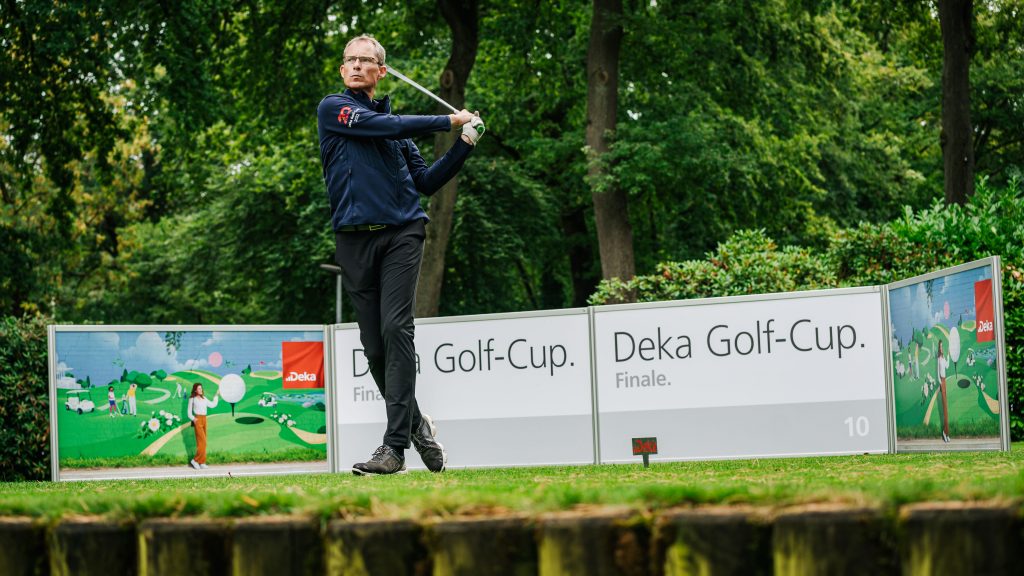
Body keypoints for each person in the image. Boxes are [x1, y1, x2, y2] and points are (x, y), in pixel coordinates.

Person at [317, 34, 484, 476]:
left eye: (365, 61)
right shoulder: (335, 109)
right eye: (349, 60)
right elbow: (384, 126)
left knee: (396, 328)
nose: (355, 66)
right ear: (342, 70)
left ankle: (393, 449)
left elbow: (426, 183)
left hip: (402, 234)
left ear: (381, 71)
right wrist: (448, 120)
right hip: (353, 241)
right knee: (373, 347)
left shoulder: (397, 133)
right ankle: (418, 426)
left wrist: (464, 143)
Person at [187, 382, 220, 469]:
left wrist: (216, 395)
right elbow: (189, 413)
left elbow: (213, 405)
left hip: (204, 419)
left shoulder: (204, 398)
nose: (201, 390)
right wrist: (194, 419)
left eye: (201, 388)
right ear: (195, 390)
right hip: (197, 420)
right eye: (199, 388)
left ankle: (202, 462)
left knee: (202, 443)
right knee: (203, 442)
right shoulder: (192, 399)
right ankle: (195, 460)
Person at [937, 340, 950, 443]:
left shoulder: (944, 358)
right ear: (939, 348)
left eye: (942, 346)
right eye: (940, 347)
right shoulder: (938, 359)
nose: (941, 348)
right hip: (942, 381)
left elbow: (947, 366)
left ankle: (946, 432)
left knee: (946, 409)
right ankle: (945, 433)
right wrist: (940, 383)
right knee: (944, 407)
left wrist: (949, 356)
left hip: (945, 381)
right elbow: (938, 372)